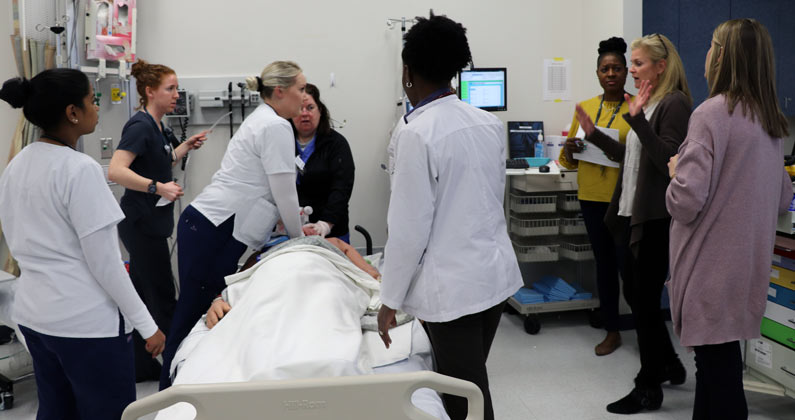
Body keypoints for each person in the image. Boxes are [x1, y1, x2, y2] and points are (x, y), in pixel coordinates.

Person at [376, 13, 522, 420]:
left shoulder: (415, 134)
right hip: (492, 281)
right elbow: (489, 201)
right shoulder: (488, 124)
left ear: (408, 72)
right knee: (467, 384)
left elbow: (408, 230)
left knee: (467, 400)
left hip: (453, 293)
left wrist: (389, 301)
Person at [0, 69, 165, 419]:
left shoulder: (17, 164)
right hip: (84, 326)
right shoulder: (80, 169)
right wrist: (147, 326)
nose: (97, 106)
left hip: (34, 317)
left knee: (56, 411)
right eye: (93, 99)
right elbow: (107, 264)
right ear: (72, 112)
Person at [666, 19, 793, 420]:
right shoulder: (770, 120)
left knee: (719, 378)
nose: (704, 55)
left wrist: (675, 171)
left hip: (711, 271)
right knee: (716, 372)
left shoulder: (711, 114)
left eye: (710, 46)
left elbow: (686, 201)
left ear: (721, 56)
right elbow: (783, 197)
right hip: (747, 270)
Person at [159, 60, 306, 389]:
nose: (304, 96)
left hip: (209, 227)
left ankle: (191, 388)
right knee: (192, 315)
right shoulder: (275, 126)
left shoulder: (266, 121)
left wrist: (292, 227)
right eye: (300, 88)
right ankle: (166, 396)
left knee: (207, 314)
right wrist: (300, 242)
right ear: (280, 91)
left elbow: (268, 194)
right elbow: (284, 193)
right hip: (212, 228)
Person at [574, 33, 692, 414]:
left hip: (653, 220)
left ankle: (648, 387)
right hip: (628, 215)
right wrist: (594, 136)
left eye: (638, 64)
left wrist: (637, 120)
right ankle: (669, 364)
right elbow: (634, 157)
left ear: (661, 66)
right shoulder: (652, 100)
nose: (631, 71)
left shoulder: (674, 104)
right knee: (638, 299)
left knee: (642, 303)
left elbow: (668, 161)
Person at [108, 59, 207, 382]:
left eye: (177, 88)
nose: (177, 94)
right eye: (170, 88)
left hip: (150, 224)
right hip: (141, 225)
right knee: (162, 297)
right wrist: (156, 187)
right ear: (150, 92)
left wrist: (183, 148)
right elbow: (117, 170)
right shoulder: (139, 126)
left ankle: (140, 365)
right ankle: (179, 370)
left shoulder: (157, 126)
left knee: (140, 294)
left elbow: (159, 158)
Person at [559, 36, 633, 356]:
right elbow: (567, 162)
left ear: (627, 72)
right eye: (605, 69)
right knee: (603, 266)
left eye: (617, 68)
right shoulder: (586, 108)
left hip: (625, 200)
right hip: (591, 197)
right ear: (598, 73)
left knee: (629, 268)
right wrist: (569, 148)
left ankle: (646, 328)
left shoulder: (638, 108)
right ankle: (611, 330)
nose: (611, 73)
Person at [291, 83, 355, 242]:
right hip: (291, 230)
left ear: (320, 111)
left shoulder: (336, 144)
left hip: (331, 231)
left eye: (310, 107)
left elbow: (341, 188)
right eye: (299, 109)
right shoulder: (281, 142)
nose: (304, 113)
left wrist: (326, 223)